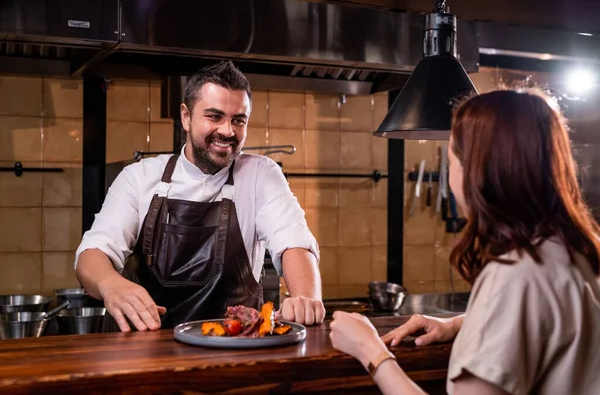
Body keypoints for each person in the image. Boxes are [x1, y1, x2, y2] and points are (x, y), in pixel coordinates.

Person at [329, 89, 600, 395]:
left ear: (478, 171)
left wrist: (370, 351)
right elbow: (550, 321)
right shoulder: (577, 250)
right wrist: (461, 324)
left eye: (453, 159)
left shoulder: (514, 275)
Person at [75, 60, 325, 332]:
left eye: (238, 120)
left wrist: (305, 298)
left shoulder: (260, 175)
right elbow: (92, 255)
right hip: (147, 353)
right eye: (215, 116)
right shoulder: (139, 177)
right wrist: (112, 284)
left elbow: (294, 242)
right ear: (185, 116)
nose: (228, 131)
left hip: (236, 350)